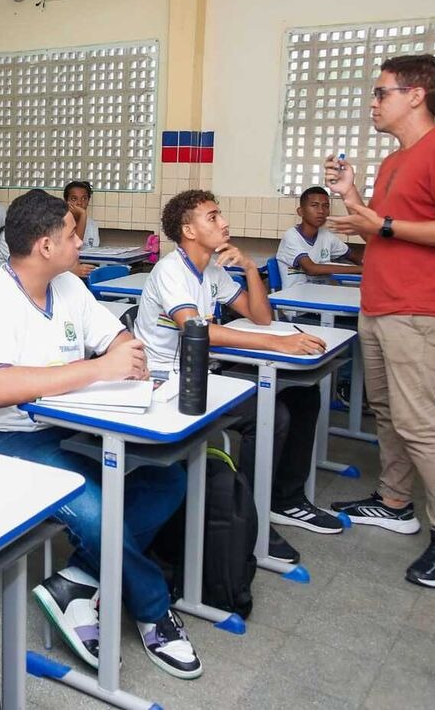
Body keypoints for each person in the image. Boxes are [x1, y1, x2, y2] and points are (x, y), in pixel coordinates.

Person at [0, 188, 202, 680]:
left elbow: (118, 338)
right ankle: (153, 610)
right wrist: (99, 368)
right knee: (95, 504)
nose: (81, 241)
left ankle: (76, 580)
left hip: (58, 425)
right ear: (45, 245)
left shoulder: (67, 286)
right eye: (71, 234)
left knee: (167, 477)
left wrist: (123, 352)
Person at [325, 54, 435, 588]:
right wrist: (351, 195)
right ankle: (395, 503)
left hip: (422, 308)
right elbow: (382, 229)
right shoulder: (395, 161)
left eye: (381, 92)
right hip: (381, 303)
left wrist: (386, 223)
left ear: (416, 95)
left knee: (420, 422)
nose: (373, 102)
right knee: (388, 411)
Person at [135, 189, 344, 565]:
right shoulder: (171, 271)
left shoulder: (211, 270)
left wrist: (249, 268)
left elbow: (261, 315)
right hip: (168, 381)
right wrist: (278, 344)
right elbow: (198, 330)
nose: (224, 222)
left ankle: (285, 499)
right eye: (213, 217)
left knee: (302, 393)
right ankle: (249, 515)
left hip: (203, 370)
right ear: (189, 230)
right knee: (270, 415)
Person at [276, 186, 363, 289]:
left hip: (323, 293)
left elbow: (353, 256)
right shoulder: (291, 236)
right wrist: (362, 269)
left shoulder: (326, 236)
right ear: (301, 211)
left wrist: (371, 266)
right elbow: (311, 269)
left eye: (326, 206)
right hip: (295, 296)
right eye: (314, 205)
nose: (321, 211)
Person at [63, 180, 100, 249]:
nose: (79, 203)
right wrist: (83, 214)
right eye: (74, 199)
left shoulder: (92, 224)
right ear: (66, 201)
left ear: (88, 201)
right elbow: (74, 248)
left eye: (84, 198)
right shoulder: (59, 222)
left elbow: (94, 251)